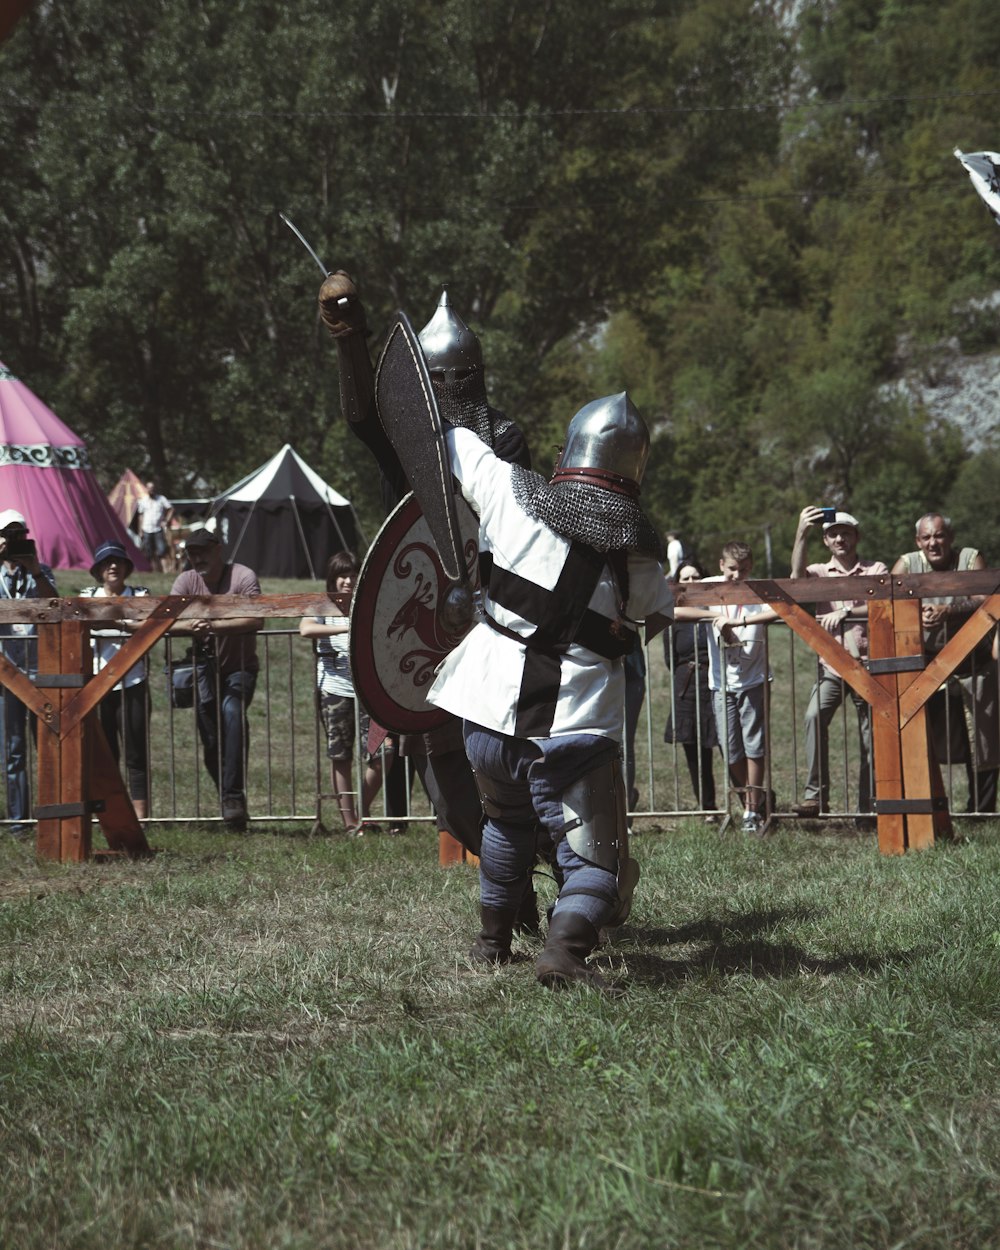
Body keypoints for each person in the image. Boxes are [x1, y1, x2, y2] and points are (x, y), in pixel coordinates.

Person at [425, 392, 674, 989]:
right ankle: (563, 951)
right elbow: (654, 615)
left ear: (568, 451)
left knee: (505, 824)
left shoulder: (511, 493)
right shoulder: (635, 556)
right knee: (597, 858)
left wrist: (464, 400)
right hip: (571, 727)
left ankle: (492, 942)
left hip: (486, 714)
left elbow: (448, 440)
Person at [317, 275, 532, 870]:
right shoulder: (404, 437)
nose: (447, 389)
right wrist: (349, 339)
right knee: (449, 789)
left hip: (489, 610)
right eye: (437, 381)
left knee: (496, 761)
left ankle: (526, 872)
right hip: (424, 608)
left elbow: (509, 526)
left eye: (453, 379)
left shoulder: (503, 438)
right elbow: (362, 415)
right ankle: (509, 875)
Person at [892, 513, 999, 813]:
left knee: (983, 741)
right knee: (920, 737)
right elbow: (889, 601)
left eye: (938, 536)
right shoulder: (907, 563)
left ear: (950, 537)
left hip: (973, 664)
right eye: (926, 537)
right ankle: (926, 807)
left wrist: (947, 611)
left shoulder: (970, 558)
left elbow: (985, 596)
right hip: (927, 668)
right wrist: (917, 615)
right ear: (918, 541)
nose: (933, 543)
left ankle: (982, 810)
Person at [790, 507, 888, 821]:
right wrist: (801, 533)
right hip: (831, 666)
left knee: (870, 735)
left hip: (869, 666)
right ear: (826, 541)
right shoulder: (819, 571)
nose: (840, 538)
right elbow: (795, 581)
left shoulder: (876, 568)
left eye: (845, 532)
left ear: (856, 537)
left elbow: (883, 604)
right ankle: (815, 797)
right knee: (813, 716)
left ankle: (869, 806)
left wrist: (845, 613)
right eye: (833, 533)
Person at [675, 541, 779, 834]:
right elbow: (676, 610)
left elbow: (779, 610)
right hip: (721, 682)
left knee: (754, 745)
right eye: (732, 569)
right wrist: (715, 617)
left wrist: (743, 619)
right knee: (730, 747)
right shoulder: (709, 587)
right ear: (721, 565)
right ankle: (751, 800)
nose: (737, 575)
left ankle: (752, 810)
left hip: (754, 678)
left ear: (751, 568)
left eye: (743, 570)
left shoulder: (757, 588)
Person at [170, 524, 262, 831]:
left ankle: (233, 797)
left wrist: (213, 625)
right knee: (210, 737)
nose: (197, 559)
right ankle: (229, 800)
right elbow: (167, 620)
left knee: (232, 713)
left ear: (218, 549)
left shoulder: (243, 576)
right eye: (192, 553)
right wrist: (191, 628)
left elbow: (256, 617)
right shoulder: (185, 581)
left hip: (240, 667)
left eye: (203, 552)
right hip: (202, 670)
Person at [300, 551, 388, 834]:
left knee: (384, 753)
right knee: (341, 756)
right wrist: (347, 628)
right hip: (335, 689)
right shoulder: (322, 603)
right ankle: (350, 822)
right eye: (342, 575)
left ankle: (362, 812)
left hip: (370, 692)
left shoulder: (369, 600)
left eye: (353, 574)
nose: (348, 581)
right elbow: (305, 629)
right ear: (333, 578)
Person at [80, 541, 152, 819]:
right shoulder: (89, 595)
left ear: (126, 567)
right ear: (98, 569)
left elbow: (147, 626)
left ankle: (141, 816)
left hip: (133, 682)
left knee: (136, 752)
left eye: (119, 562)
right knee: (106, 754)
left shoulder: (140, 594)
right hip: (98, 686)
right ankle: (112, 815)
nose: (113, 566)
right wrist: (124, 623)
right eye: (107, 562)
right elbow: (84, 623)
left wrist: (112, 623)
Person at [0, 509, 57, 838]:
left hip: (41, 671)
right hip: (7, 675)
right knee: (14, 748)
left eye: (20, 534)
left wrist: (35, 571)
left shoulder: (42, 571)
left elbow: (58, 606)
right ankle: (19, 822)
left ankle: (51, 817)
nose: (14, 541)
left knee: (48, 746)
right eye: (8, 535)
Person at [662, 559, 719, 819]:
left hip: (714, 680)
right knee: (694, 750)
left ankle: (750, 804)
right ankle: (707, 807)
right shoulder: (672, 618)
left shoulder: (717, 607)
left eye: (696, 577)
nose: (692, 583)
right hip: (686, 684)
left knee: (726, 744)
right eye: (686, 579)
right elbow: (669, 659)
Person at [137, 479, 174, 573]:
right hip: (146, 529)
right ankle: (149, 571)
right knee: (148, 552)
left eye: (152, 488)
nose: (151, 490)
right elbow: (140, 516)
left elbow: (171, 509)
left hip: (158, 529)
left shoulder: (161, 499)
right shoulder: (143, 501)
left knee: (162, 550)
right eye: (149, 488)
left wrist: (166, 520)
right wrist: (140, 530)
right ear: (146, 489)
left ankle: (165, 571)